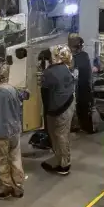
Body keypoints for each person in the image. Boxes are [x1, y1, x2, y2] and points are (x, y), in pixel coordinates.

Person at [0, 64, 29, 199]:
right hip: (15, 130)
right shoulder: (13, 90)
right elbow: (25, 95)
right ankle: (18, 186)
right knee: (15, 158)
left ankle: (7, 185)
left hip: (0, 132)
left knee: (1, 159)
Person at [40, 45, 76, 175]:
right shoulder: (66, 67)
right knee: (63, 134)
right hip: (69, 102)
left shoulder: (49, 73)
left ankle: (63, 165)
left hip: (58, 108)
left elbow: (45, 96)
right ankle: (63, 159)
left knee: (58, 136)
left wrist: (46, 114)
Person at [70, 35, 96, 133]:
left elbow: (75, 73)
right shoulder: (84, 55)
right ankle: (86, 127)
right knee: (84, 107)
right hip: (85, 86)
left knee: (81, 107)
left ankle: (84, 127)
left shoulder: (74, 58)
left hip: (80, 87)